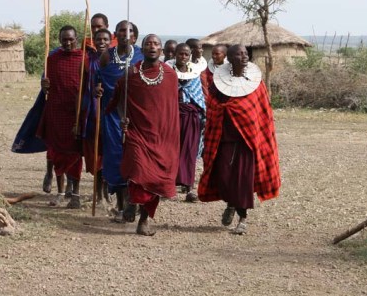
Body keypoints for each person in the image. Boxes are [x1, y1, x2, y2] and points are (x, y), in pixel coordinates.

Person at [198, 44, 280, 235]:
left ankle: (242, 218)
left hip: (247, 141)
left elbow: (261, 112)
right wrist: (224, 109)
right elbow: (213, 105)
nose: (243, 56)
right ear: (230, 58)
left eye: (245, 53)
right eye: (238, 53)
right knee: (225, 179)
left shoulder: (256, 82)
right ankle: (231, 204)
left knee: (242, 181)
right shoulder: (219, 82)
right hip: (224, 139)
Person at [112, 34, 179, 236]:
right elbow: (119, 99)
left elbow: (172, 109)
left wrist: (171, 138)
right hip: (137, 132)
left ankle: (143, 220)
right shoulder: (131, 73)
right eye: (148, 44)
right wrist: (123, 119)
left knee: (155, 179)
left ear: (161, 50)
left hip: (161, 136)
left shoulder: (169, 75)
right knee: (138, 170)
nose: (152, 46)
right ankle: (133, 200)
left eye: (156, 44)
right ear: (142, 48)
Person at [98, 20, 143, 220]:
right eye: (122, 30)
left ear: (135, 36)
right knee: (116, 158)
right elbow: (97, 81)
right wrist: (96, 89)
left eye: (130, 31)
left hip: (136, 116)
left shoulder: (142, 55)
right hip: (112, 115)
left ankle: (136, 202)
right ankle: (122, 204)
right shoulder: (107, 56)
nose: (126, 34)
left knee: (136, 158)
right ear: (115, 34)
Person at [39, 26, 84, 208]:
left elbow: (88, 85)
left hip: (76, 112)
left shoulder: (83, 59)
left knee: (75, 154)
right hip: (56, 111)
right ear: (59, 40)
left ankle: (76, 194)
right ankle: (59, 193)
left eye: (70, 39)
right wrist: (44, 85)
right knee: (57, 153)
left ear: (76, 39)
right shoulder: (52, 59)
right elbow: (46, 87)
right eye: (64, 40)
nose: (67, 43)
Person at [169, 43, 205, 203]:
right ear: (174, 55)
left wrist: (202, 117)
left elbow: (199, 97)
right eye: (180, 54)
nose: (183, 57)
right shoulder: (168, 74)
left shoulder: (195, 75)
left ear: (190, 56)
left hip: (191, 116)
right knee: (171, 150)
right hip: (172, 116)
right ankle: (169, 185)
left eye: (186, 54)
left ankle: (189, 188)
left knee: (189, 151)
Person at [81, 28, 112, 204]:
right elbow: (83, 85)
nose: (101, 42)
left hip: (110, 109)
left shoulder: (115, 61)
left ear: (110, 41)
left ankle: (107, 191)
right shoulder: (87, 61)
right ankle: (98, 192)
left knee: (109, 152)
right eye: (98, 39)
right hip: (92, 110)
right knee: (96, 153)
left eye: (105, 39)